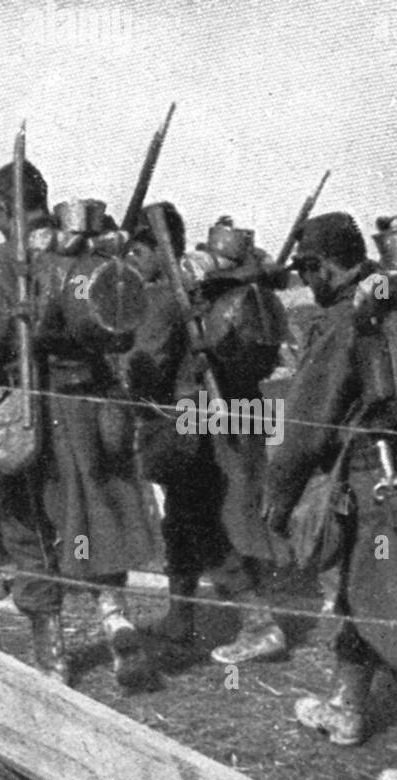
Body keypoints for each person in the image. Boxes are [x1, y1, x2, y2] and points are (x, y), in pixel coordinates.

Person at [0, 159, 156, 686]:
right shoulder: (84, 251)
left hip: (29, 415)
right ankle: (115, 617)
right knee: (92, 517)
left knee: (26, 528)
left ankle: (54, 654)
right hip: (91, 409)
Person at [263, 212, 397, 780]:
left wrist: (277, 502)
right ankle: (349, 708)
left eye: (308, 269)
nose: (307, 283)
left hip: (378, 483)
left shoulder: (345, 321)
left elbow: (305, 427)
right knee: (363, 601)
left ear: (323, 265)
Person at [125, 203, 292, 663]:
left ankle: (259, 623)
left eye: (139, 252)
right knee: (188, 515)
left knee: (201, 515)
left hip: (194, 418)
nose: (133, 263)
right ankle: (181, 614)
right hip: (241, 408)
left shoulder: (166, 297)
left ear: (159, 249)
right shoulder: (230, 281)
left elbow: (148, 364)